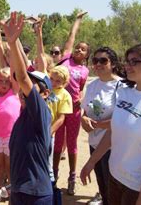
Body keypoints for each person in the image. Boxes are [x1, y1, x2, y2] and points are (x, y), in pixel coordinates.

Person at [81, 43, 141, 205]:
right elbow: (113, 130)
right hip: (115, 176)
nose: (128, 65)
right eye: (127, 61)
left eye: (134, 62)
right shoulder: (126, 93)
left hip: (136, 185)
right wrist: (92, 161)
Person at [3, 12, 53, 204]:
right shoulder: (24, 113)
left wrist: (13, 42)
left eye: (33, 86)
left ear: (45, 93)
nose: (26, 89)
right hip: (19, 190)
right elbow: (19, 75)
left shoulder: (41, 112)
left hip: (36, 195)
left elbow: (23, 78)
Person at [80, 47, 124, 205]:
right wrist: (84, 120)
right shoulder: (93, 85)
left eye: (103, 60)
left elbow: (122, 120)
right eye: (95, 60)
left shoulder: (122, 87)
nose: (98, 64)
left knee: (113, 188)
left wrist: (96, 124)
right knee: (103, 185)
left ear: (113, 64)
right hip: (94, 143)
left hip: (113, 146)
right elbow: (85, 112)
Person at [53, 11, 90, 195]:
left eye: (83, 49)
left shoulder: (84, 70)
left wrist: (80, 100)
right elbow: (71, 36)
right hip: (58, 108)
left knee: (72, 145)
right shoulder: (65, 58)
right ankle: (54, 176)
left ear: (86, 55)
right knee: (58, 144)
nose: (79, 50)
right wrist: (77, 20)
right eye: (78, 47)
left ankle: (72, 177)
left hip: (74, 110)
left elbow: (81, 89)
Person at [0, 67, 20, 202]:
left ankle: (13, 199)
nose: (4, 84)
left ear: (12, 83)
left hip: (11, 138)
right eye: (1, 81)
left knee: (10, 169)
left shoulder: (15, 94)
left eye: (7, 81)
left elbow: (16, 72)